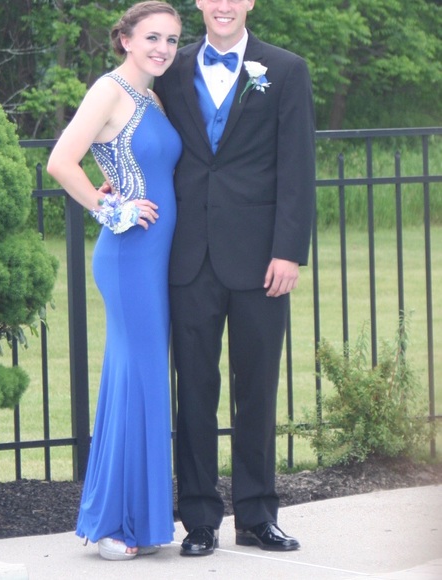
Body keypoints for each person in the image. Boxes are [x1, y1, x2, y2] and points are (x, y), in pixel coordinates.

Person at [154, 0, 315, 556]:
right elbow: (135, 132)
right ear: (200, 3)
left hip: (261, 259)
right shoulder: (169, 66)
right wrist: (119, 182)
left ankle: (257, 515)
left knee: (258, 389)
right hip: (188, 256)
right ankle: (199, 519)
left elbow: (297, 164)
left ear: (250, 3)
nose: (224, 5)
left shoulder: (287, 70)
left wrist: (288, 251)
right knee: (194, 391)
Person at [46, 1, 182, 562]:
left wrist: (118, 189)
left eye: (172, 39)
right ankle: (111, 525)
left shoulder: (153, 96)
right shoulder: (108, 90)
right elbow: (60, 162)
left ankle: (137, 519)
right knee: (139, 379)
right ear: (125, 39)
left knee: (140, 380)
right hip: (129, 254)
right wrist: (113, 210)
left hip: (158, 255)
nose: (163, 48)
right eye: (152, 37)